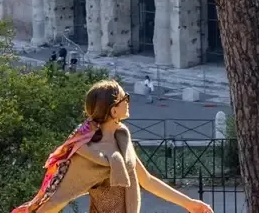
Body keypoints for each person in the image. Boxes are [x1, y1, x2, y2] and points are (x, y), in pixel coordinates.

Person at [14, 80, 212, 213]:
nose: (128, 102)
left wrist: (190, 204)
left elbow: (147, 180)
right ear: (114, 110)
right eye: (125, 99)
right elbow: (57, 200)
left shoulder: (122, 137)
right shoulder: (89, 150)